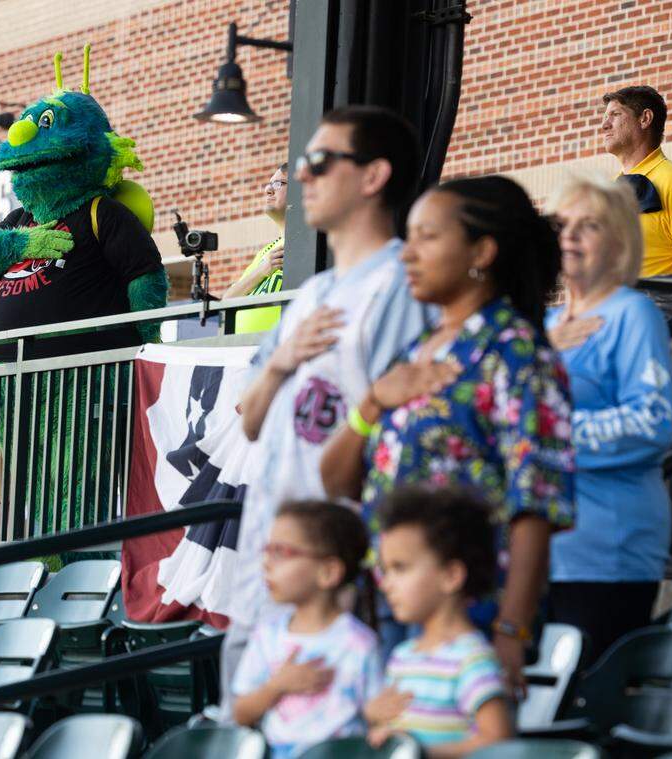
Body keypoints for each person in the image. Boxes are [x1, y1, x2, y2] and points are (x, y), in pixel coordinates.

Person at [320, 175, 575, 692]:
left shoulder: (516, 353)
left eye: (428, 238)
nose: (407, 255)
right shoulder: (413, 352)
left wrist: (510, 631)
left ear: (481, 250)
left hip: (472, 617)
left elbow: (536, 508)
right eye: (408, 238)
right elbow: (339, 483)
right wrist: (372, 402)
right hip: (389, 605)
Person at [223, 105, 432, 715]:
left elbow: (402, 442)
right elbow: (250, 417)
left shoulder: (399, 285)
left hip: (342, 570)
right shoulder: (311, 292)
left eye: (319, 161)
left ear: (372, 177)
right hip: (270, 552)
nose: (302, 177)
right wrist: (284, 360)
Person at [545, 174, 672, 665]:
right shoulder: (544, 327)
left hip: (607, 548)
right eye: (562, 224)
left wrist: (546, 440)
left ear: (619, 240)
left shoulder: (632, 314)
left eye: (589, 225)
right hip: (538, 549)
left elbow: (653, 421)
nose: (570, 236)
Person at [366, 486, 511, 757]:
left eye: (400, 568)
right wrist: (374, 719)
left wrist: (423, 754)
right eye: (385, 571)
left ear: (451, 575)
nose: (386, 584)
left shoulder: (471, 658)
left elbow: (499, 743)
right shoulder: (403, 655)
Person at [232, 499, 382, 759]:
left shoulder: (359, 644)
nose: (267, 563)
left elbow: (378, 720)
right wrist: (276, 687)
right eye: (267, 550)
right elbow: (241, 713)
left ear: (328, 572)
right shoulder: (267, 636)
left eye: (281, 552)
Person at [601, 86, 672, 277]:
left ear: (645, 119)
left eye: (615, 114)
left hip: (663, 307)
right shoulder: (609, 191)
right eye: (604, 117)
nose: (604, 125)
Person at [223, 163, 287, 334]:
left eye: (278, 184)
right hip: (241, 351)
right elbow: (227, 299)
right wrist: (263, 270)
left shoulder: (306, 244)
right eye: (269, 184)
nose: (268, 189)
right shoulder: (266, 253)